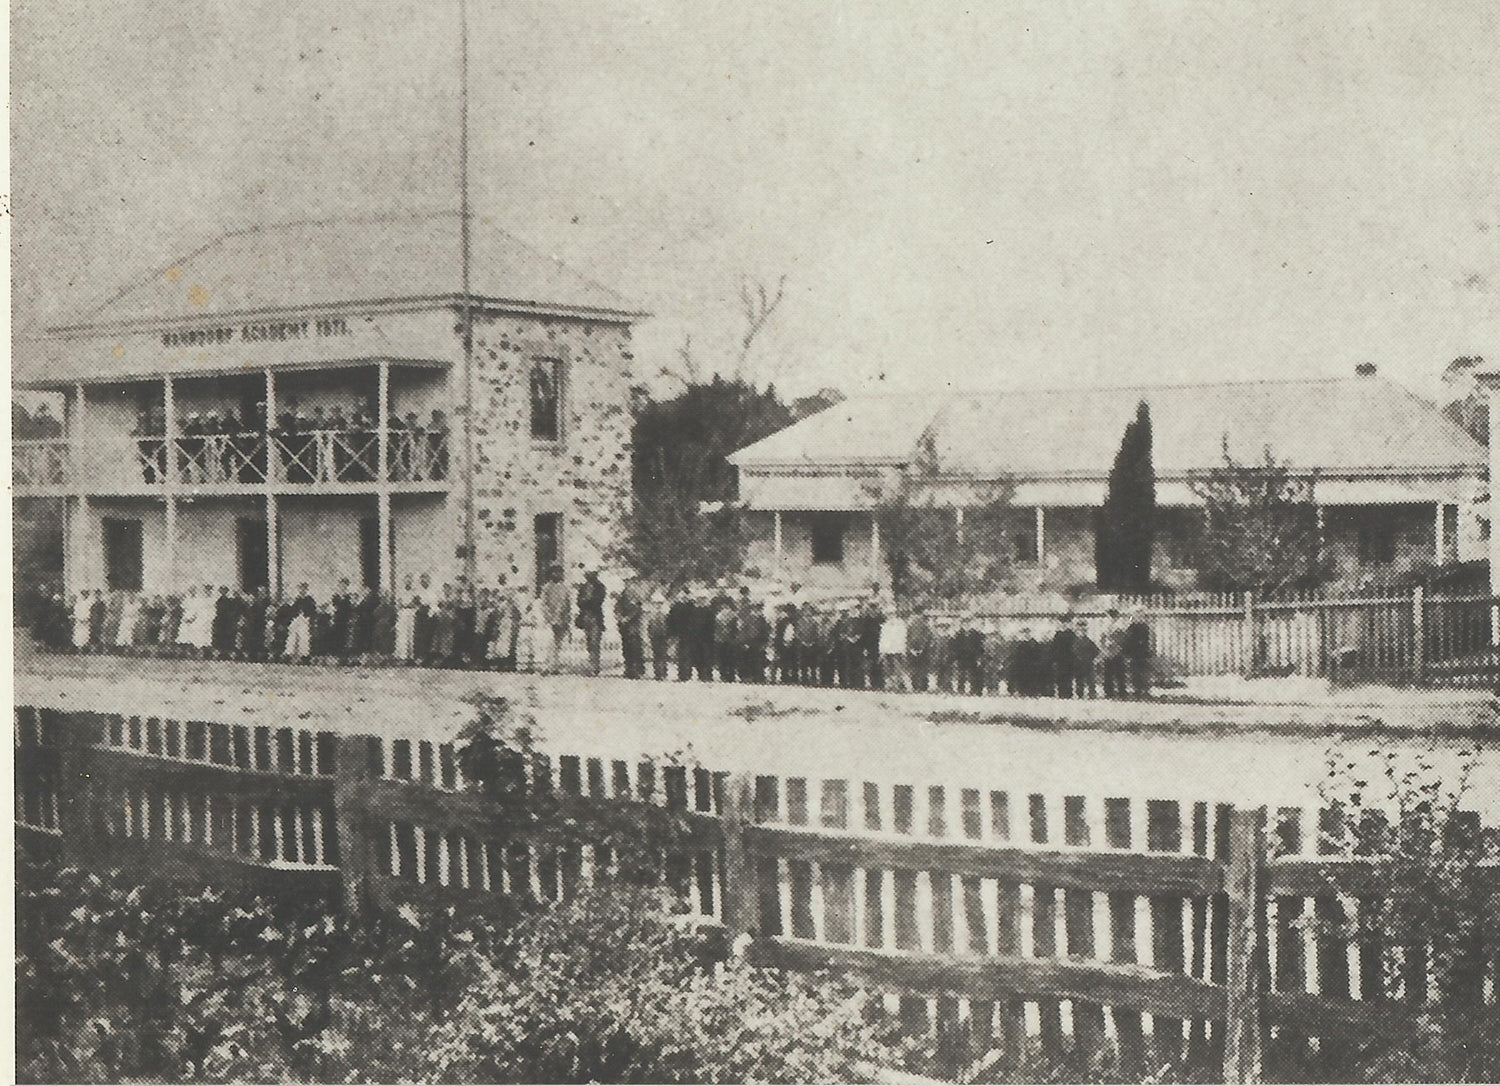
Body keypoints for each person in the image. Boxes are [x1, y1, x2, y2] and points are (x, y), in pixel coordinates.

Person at [540, 565, 571, 674]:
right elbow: (543, 604)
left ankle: (554, 666)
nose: (558, 575)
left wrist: (567, 619)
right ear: (552, 573)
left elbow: (567, 605)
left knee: (558, 643)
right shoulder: (547, 587)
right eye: (556, 572)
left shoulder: (565, 588)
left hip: (561, 619)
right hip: (550, 619)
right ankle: (547, 666)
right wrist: (548, 616)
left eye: (560, 572)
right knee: (550, 641)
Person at [576, 570, 607, 676]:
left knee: (595, 641)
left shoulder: (600, 587)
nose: (589, 576)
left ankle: (595, 667)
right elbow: (579, 601)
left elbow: (598, 601)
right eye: (587, 574)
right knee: (589, 642)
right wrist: (585, 601)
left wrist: (587, 600)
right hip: (585, 616)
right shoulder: (583, 587)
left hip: (595, 617)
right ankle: (591, 665)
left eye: (591, 574)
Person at [615, 578, 646, 679]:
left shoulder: (636, 594)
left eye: (629, 581)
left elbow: (637, 609)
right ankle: (629, 669)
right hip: (624, 626)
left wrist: (627, 618)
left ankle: (637, 670)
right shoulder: (623, 595)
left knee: (635, 648)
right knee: (626, 648)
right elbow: (617, 607)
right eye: (626, 581)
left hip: (634, 626)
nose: (627, 583)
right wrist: (619, 617)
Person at [737, 588, 769, 683]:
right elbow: (743, 631)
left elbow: (766, 632)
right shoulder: (748, 619)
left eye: (759, 609)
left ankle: (759, 677)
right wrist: (744, 642)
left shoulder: (763, 620)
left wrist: (764, 643)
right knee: (747, 660)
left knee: (759, 661)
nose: (757, 611)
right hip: (748, 643)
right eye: (755, 609)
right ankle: (747, 677)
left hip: (758, 643)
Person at [666, 586, 697, 682]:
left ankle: (687, 674)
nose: (684, 596)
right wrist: (671, 634)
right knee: (680, 654)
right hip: (679, 633)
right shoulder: (676, 606)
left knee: (687, 654)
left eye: (686, 594)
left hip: (689, 634)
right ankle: (682, 675)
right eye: (682, 594)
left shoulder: (692, 606)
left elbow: (695, 621)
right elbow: (670, 620)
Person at [880, 605, 911, 692]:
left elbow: (903, 637)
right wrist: (882, 650)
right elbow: (883, 638)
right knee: (888, 669)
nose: (890, 616)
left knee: (898, 668)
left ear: (895, 614)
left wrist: (902, 649)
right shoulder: (885, 625)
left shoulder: (900, 625)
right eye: (888, 614)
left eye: (891, 614)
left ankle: (901, 685)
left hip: (897, 649)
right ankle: (889, 685)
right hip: (887, 650)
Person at [1099, 608, 1129, 699]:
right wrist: (1104, 646)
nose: (1111, 619)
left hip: (1118, 653)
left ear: (1117, 618)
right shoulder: (1105, 628)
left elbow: (1123, 641)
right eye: (1109, 617)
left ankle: (1122, 692)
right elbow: (1101, 640)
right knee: (1107, 674)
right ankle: (1108, 693)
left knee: (1120, 674)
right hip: (1108, 654)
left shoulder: (1120, 628)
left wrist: (1115, 645)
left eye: (1113, 617)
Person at [1123, 607, 1152, 698]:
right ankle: (1137, 690)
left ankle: (1146, 690)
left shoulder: (1145, 627)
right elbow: (1127, 641)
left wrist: (1148, 649)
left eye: (1141, 615)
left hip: (1143, 652)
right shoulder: (1131, 627)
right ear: (1134, 617)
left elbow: (1148, 640)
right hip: (1134, 653)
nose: (1139, 617)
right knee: (1135, 672)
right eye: (1137, 615)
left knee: (1144, 671)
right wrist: (1127, 652)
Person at [285, 583, 316, 662]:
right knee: (292, 637)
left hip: (305, 619)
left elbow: (313, 611)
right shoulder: (296, 599)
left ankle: (304, 656)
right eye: (300, 589)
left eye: (304, 589)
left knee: (304, 637)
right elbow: (291, 611)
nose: (302, 590)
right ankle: (289, 655)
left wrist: (309, 619)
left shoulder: (309, 600)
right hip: (296, 619)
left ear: (306, 590)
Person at [1072, 617, 1100, 699]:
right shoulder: (1074, 641)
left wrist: (1090, 658)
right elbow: (1072, 651)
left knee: (1090, 679)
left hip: (1088, 662)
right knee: (1079, 679)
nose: (1081, 632)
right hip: (1078, 663)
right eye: (1079, 630)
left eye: (1083, 630)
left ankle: (1092, 693)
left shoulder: (1089, 641)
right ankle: (1079, 694)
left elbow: (1096, 651)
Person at [713, 595, 739, 682]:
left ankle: (724, 675)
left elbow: (716, 628)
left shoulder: (719, 615)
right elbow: (736, 628)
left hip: (721, 640)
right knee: (730, 658)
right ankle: (730, 676)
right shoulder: (733, 615)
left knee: (723, 658)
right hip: (729, 639)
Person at [646, 589, 670, 680]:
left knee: (663, 654)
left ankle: (663, 672)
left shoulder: (665, 613)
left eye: (660, 603)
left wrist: (669, 636)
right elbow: (648, 626)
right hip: (654, 636)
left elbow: (668, 625)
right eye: (656, 603)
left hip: (664, 636)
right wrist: (648, 636)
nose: (658, 605)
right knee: (656, 654)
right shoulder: (651, 614)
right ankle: (658, 673)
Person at [1050, 616, 1077, 698]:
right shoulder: (1057, 634)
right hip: (1059, 659)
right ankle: (1061, 693)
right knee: (1060, 676)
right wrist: (1054, 657)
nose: (1064, 625)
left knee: (1068, 676)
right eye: (1062, 623)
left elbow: (1074, 647)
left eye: (1066, 623)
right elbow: (1054, 647)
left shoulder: (1071, 634)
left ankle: (1068, 693)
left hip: (1069, 658)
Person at [395, 575, 420, 663]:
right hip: (402, 614)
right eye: (406, 581)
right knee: (402, 634)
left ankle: (410, 656)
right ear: (404, 582)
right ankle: (402, 656)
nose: (408, 583)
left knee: (410, 634)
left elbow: (417, 604)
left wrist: (410, 605)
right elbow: (398, 604)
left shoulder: (414, 592)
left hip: (411, 614)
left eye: (409, 581)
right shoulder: (400, 592)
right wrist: (403, 606)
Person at [774, 603, 799, 684]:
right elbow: (778, 634)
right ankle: (784, 677)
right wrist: (780, 643)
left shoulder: (796, 621)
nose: (789, 614)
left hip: (793, 644)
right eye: (788, 612)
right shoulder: (781, 622)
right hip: (783, 644)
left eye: (791, 612)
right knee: (784, 661)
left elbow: (798, 633)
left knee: (794, 662)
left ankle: (794, 678)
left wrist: (793, 641)